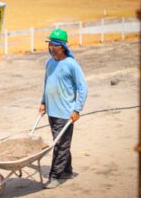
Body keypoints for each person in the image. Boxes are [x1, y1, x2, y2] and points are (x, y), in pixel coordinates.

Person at [39, 28, 88, 189]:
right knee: (61, 142)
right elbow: (47, 83)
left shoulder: (71, 64)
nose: (52, 47)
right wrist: (43, 102)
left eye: (55, 45)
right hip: (52, 111)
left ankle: (56, 176)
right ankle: (67, 170)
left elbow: (83, 88)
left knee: (60, 145)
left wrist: (77, 109)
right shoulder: (49, 62)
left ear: (63, 47)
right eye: (50, 44)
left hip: (65, 113)